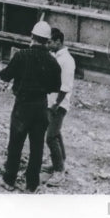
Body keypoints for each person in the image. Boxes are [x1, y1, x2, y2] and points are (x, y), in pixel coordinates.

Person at [0, 20, 61, 192]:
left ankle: (9, 180)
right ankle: (31, 186)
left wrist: (0, 71)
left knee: (15, 144)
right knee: (37, 148)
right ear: (47, 41)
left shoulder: (21, 56)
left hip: (22, 106)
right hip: (41, 107)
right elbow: (55, 87)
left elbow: (5, 76)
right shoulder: (53, 62)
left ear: (32, 37)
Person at [44, 28, 76, 186]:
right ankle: (61, 162)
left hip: (59, 104)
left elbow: (65, 87)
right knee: (56, 134)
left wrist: (56, 104)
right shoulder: (55, 56)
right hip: (52, 102)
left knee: (50, 137)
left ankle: (59, 172)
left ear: (58, 41)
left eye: (49, 41)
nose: (47, 44)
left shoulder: (67, 61)